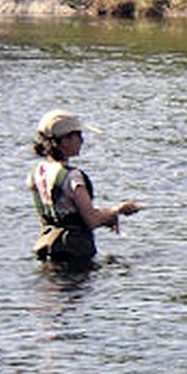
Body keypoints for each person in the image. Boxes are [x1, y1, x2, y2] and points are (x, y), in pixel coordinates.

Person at [27, 108, 140, 265]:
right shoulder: (73, 177)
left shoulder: (37, 172)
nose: (82, 141)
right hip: (74, 253)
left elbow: (69, 211)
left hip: (47, 247)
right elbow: (91, 220)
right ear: (64, 140)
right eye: (78, 136)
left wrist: (107, 215)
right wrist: (119, 210)